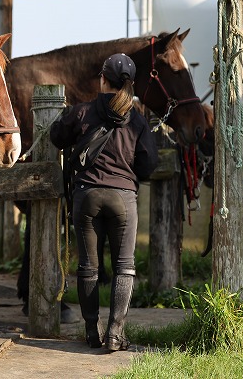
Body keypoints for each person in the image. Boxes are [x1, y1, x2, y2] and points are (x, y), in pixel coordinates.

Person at [49, 53, 158, 351]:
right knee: (124, 267)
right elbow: (149, 165)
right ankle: (115, 334)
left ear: (102, 79)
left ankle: (91, 333)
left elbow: (55, 136)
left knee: (88, 267)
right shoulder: (136, 120)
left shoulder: (82, 112)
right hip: (123, 199)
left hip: (87, 197)